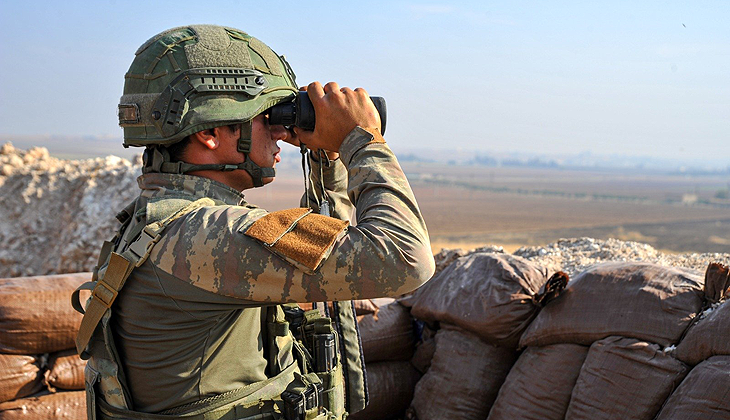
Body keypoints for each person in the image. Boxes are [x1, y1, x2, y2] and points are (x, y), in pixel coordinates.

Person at [73, 24, 434, 420]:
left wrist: (327, 158)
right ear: (210, 132)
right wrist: (362, 140)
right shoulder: (203, 234)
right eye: (266, 116)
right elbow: (404, 259)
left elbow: (327, 252)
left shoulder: (169, 220)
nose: (280, 131)